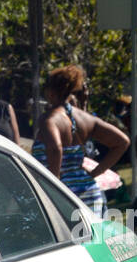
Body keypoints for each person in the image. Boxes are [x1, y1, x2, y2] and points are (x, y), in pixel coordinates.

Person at [33, 65, 130, 218]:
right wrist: (94, 173)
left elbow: (55, 148)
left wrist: (54, 186)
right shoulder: (85, 118)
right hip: (90, 194)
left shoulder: (48, 119)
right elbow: (122, 142)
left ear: (50, 92)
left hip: (64, 198)